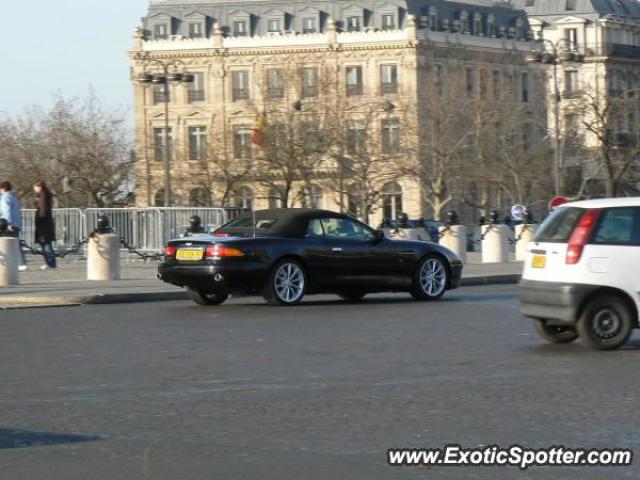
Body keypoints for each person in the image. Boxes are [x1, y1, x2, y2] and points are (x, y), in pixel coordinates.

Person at [0, 180, 27, 270]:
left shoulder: (5, 197)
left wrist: (8, 223)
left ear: (3, 188)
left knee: (6, 243)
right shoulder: (14, 197)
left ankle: (19, 263)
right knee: (15, 244)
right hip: (16, 224)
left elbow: (6, 210)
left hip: (7, 224)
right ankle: (22, 263)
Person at [33, 180, 56, 270]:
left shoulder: (43, 196)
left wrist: (39, 220)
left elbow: (43, 210)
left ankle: (51, 263)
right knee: (45, 244)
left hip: (44, 224)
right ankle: (49, 262)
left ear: (39, 187)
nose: (34, 189)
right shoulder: (44, 195)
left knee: (46, 244)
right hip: (46, 223)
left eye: (35, 187)